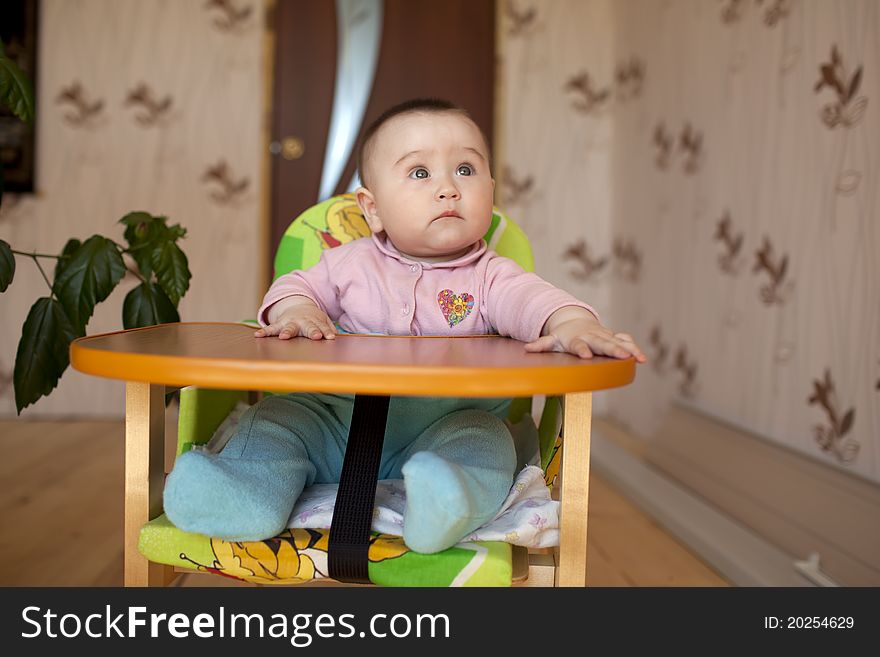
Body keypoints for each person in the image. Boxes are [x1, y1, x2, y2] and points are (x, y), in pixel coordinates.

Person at [163, 98, 646, 553]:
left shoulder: (491, 276)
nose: (448, 187)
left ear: (491, 191)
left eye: (466, 169)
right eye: (420, 172)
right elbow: (294, 287)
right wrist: (298, 312)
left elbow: (536, 302)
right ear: (371, 209)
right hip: (332, 422)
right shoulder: (346, 264)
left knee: (486, 439)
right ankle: (241, 492)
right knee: (275, 423)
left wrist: (574, 323)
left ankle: (446, 501)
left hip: (444, 425)